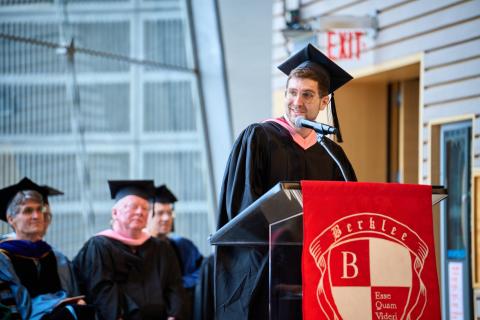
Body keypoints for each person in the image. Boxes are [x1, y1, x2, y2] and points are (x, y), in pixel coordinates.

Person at [215, 43, 357, 319]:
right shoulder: (258, 138)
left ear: (324, 102)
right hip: (265, 269)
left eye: (307, 94)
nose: (297, 102)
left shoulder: (331, 153)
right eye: (292, 92)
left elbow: (347, 211)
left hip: (318, 271)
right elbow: (241, 210)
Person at [73, 180, 187, 320]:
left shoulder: (161, 248)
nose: (140, 212)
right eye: (133, 207)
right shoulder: (99, 247)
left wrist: (173, 316)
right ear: (115, 213)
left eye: (145, 208)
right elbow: (101, 290)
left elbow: (174, 285)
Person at [0, 177, 94, 320]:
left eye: (40, 209)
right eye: (28, 211)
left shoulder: (56, 257)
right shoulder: (3, 257)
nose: (36, 216)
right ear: (11, 218)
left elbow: (73, 294)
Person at [147, 185, 203, 320]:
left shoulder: (182, 245)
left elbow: (203, 271)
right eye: (160, 213)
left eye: (170, 212)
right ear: (146, 215)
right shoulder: (137, 248)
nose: (167, 218)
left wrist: (176, 285)